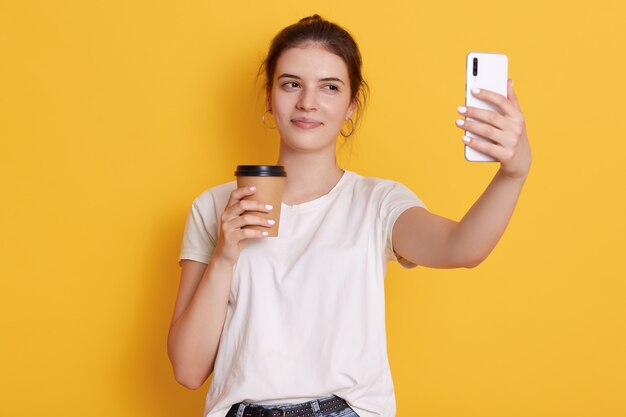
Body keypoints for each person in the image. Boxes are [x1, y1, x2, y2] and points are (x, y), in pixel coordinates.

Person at [167, 14, 531, 417]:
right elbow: (187, 369)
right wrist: (224, 256)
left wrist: (513, 173)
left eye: (329, 87)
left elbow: (461, 247)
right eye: (291, 84)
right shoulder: (215, 207)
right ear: (269, 98)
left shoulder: (376, 201)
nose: (308, 102)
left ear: (351, 105)